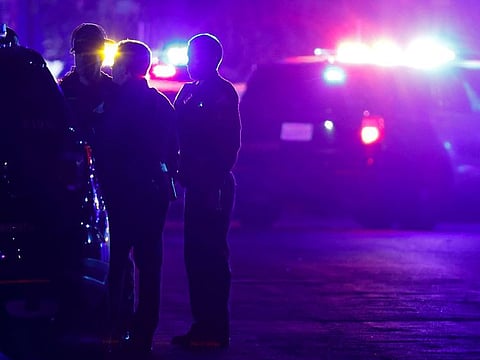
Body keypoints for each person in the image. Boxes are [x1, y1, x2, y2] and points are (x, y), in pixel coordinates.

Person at [93, 39, 178, 355]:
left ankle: (113, 329)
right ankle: (144, 333)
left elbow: (104, 147)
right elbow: (173, 149)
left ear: (126, 69)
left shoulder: (113, 104)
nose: (111, 70)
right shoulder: (160, 104)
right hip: (153, 194)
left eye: (116, 65)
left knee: (114, 265)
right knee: (150, 265)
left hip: (119, 194)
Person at [172, 33, 241, 348]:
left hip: (212, 184)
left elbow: (227, 144)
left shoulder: (220, 93)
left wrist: (211, 179)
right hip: (195, 183)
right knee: (194, 256)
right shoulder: (189, 93)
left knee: (210, 256)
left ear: (210, 60)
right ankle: (202, 325)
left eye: (193, 57)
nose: (188, 63)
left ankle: (215, 327)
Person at [59, 22, 115, 144]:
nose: (84, 57)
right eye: (80, 52)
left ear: (102, 56)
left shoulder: (114, 91)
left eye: (90, 52)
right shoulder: (62, 92)